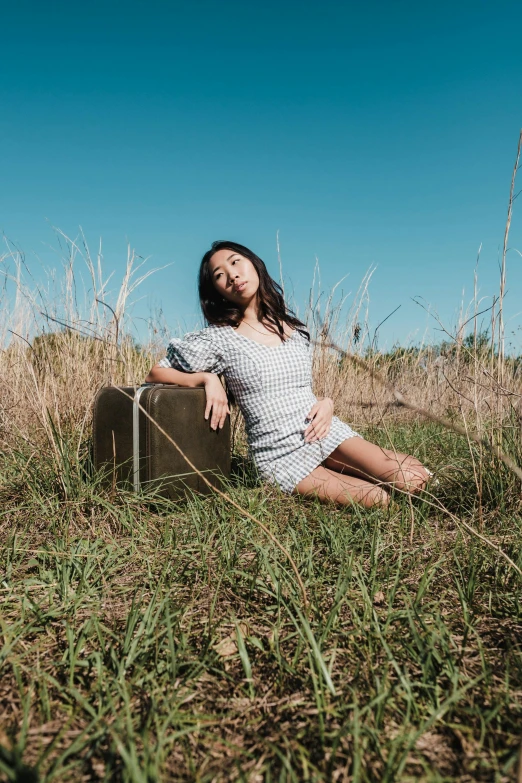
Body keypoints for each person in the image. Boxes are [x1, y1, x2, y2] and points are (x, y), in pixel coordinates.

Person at [146, 241, 430, 508]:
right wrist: (205, 378)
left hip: (321, 432)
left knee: (414, 478)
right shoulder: (219, 339)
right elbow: (155, 373)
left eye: (236, 262)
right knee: (377, 499)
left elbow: (296, 389)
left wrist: (327, 403)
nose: (232, 275)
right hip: (279, 454)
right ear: (216, 290)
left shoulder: (293, 330)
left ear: (254, 265)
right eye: (220, 275)